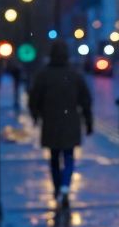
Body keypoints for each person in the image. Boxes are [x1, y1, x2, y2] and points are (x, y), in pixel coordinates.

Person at [28, 39, 93, 208]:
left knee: (54, 158)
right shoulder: (74, 75)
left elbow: (34, 99)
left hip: (50, 122)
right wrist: (88, 121)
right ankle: (65, 187)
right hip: (71, 122)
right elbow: (85, 101)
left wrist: (36, 116)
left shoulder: (44, 75)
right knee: (69, 157)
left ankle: (57, 188)